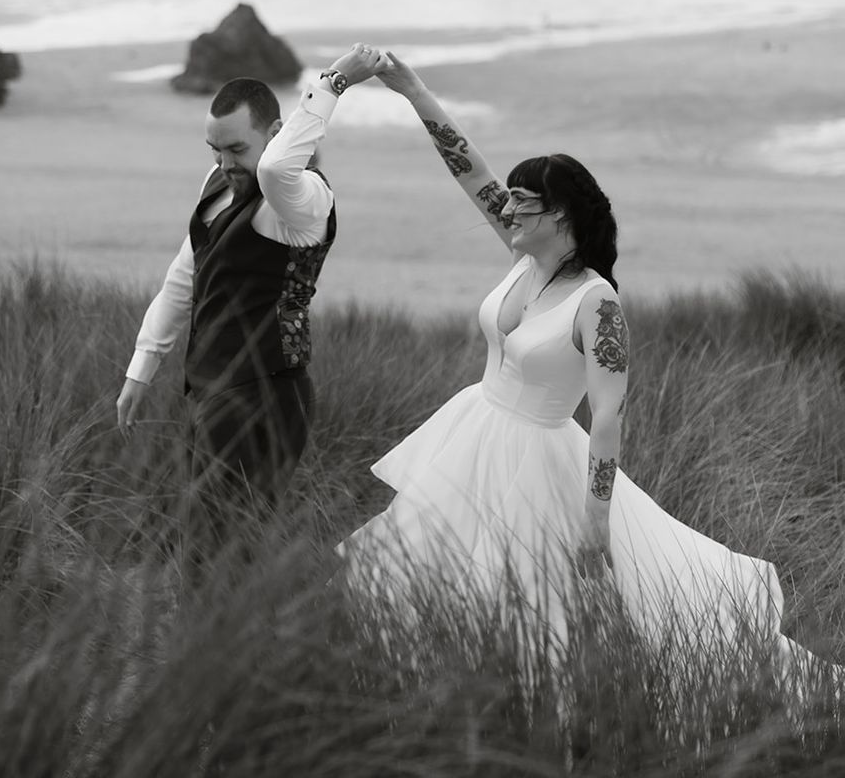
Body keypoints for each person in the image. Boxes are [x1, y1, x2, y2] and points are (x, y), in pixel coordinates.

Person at [337, 51, 839, 690]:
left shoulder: (597, 303)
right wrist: (411, 90)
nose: (508, 211)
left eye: (523, 203)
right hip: (474, 437)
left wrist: (596, 519)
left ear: (561, 216)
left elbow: (607, 414)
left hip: (539, 462)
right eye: (510, 201)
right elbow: (468, 167)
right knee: (422, 577)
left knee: (536, 605)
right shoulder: (525, 257)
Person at [117, 43, 387, 549]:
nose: (225, 163)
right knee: (204, 544)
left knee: (226, 548)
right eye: (214, 150)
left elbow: (275, 171)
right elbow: (185, 277)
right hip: (208, 392)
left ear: (277, 133)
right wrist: (142, 367)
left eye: (237, 149)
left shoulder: (305, 200)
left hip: (265, 397)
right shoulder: (218, 183)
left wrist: (333, 82)